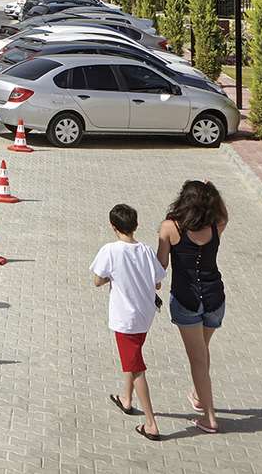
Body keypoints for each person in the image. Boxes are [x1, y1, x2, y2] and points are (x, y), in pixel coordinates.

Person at [157, 180, 227, 434]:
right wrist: (214, 191)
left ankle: (209, 417)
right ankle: (199, 395)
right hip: (214, 297)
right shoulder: (217, 224)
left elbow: (161, 266)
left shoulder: (170, 227)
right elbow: (224, 213)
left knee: (197, 358)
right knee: (203, 350)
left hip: (186, 299)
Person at [93, 203, 168, 441]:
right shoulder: (145, 250)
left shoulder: (110, 250)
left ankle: (151, 424)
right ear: (136, 225)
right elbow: (158, 282)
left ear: (113, 226)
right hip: (145, 315)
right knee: (132, 356)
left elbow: (97, 280)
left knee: (136, 368)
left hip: (125, 319)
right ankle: (126, 398)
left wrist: (112, 278)